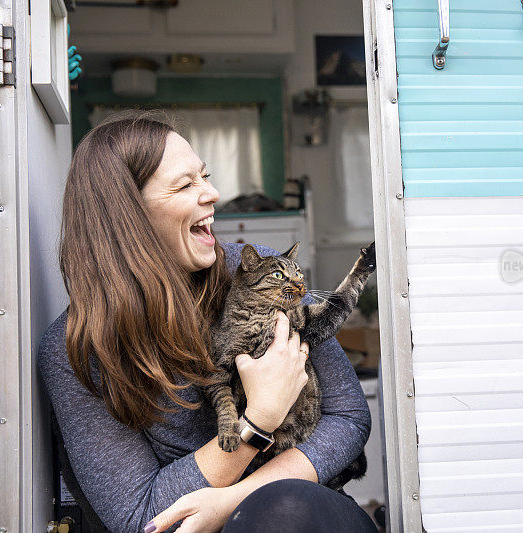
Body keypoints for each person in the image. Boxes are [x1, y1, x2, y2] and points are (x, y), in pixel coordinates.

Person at [37, 115, 377, 533]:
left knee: (283, 512)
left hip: (299, 512)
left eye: (207, 177)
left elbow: (348, 417)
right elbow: (139, 516)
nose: (213, 193)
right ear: (128, 218)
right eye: (185, 185)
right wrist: (260, 419)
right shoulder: (75, 348)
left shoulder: (254, 273)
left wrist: (232, 500)